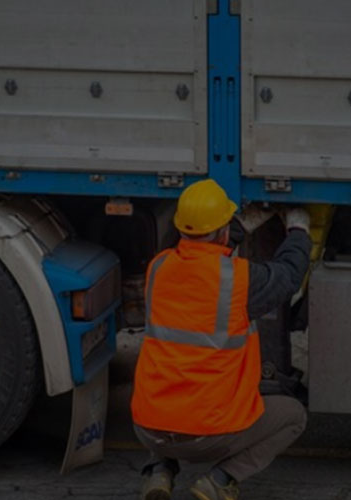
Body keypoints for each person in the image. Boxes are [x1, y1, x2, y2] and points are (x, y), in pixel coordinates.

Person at [131, 179, 312, 500]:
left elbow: (202, 248)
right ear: (223, 231)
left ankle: (159, 472)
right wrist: (298, 229)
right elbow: (287, 275)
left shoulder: (158, 269)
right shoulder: (240, 280)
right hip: (208, 435)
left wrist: (242, 223)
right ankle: (219, 479)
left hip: (148, 430)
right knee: (293, 416)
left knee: (165, 398)